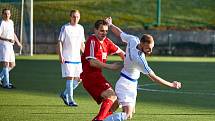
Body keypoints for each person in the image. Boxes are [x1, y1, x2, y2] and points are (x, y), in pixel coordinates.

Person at [104, 17, 182, 121]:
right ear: (142, 44)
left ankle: (102, 117)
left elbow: (120, 33)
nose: (150, 51)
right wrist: (172, 84)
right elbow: (154, 78)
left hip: (126, 82)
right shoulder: (139, 59)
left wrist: (110, 25)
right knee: (127, 115)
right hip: (127, 85)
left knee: (115, 109)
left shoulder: (133, 39)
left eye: (152, 48)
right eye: (148, 48)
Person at [81, 19, 125, 121]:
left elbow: (121, 52)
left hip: (97, 76)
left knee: (117, 101)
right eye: (101, 30)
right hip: (90, 77)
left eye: (106, 31)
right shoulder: (92, 41)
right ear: (95, 30)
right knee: (111, 96)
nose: (104, 33)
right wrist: (111, 66)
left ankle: (98, 119)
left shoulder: (106, 42)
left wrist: (132, 61)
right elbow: (92, 61)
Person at [56, 9, 85, 107]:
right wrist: (60, 55)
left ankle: (64, 94)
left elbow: (82, 44)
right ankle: (71, 100)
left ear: (79, 17)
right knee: (70, 78)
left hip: (77, 59)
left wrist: (86, 55)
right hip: (67, 58)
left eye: (77, 16)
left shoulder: (81, 28)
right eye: (73, 16)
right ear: (70, 17)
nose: (75, 18)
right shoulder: (65, 28)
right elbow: (60, 42)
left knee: (79, 79)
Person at [0, 8, 22, 89]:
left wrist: (18, 42)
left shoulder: (11, 22)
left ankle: (0, 78)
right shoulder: (2, 23)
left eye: (8, 14)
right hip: (4, 45)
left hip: (10, 46)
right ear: (2, 14)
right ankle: (6, 84)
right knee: (6, 64)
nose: (7, 15)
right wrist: (8, 39)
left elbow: (13, 33)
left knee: (12, 65)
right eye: (5, 14)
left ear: (10, 14)